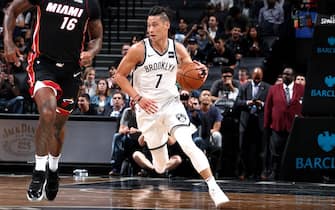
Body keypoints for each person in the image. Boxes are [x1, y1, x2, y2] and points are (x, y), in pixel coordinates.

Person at [114, 6, 229, 207]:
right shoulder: (139, 49)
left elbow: (190, 69)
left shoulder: (177, 48)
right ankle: (160, 165)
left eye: (155, 24)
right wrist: (138, 98)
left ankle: (213, 186)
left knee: (188, 143)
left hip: (171, 104)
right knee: (159, 166)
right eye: (148, 25)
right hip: (147, 110)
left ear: (166, 25)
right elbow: (119, 76)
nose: (150, 28)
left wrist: (201, 71)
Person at [3, 0, 103, 201]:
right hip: (42, 63)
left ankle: (54, 170)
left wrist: (91, 52)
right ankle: (39, 171)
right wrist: (8, 41)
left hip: (71, 70)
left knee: (57, 127)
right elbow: (12, 9)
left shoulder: (90, 4)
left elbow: (97, 36)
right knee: (47, 112)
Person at [264, 67, 304, 180]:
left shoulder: (301, 89)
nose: (285, 76)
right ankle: (274, 172)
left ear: (293, 76)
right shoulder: (273, 88)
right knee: (276, 151)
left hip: (295, 126)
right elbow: (268, 107)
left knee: (293, 151)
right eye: (284, 74)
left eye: (288, 74)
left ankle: (292, 173)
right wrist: (267, 124)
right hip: (278, 125)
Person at [236, 67, 271, 180]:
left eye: (259, 78)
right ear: (251, 76)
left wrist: (262, 104)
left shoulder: (268, 87)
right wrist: (248, 103)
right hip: (246, 120)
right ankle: (244, 172)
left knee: (262, 149)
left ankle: (262, 172)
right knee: (243, 148)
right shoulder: (244, 86)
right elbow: (237, 103)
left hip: (260, 120)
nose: (257, 80)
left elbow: (271, 105)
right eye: (255, 78)